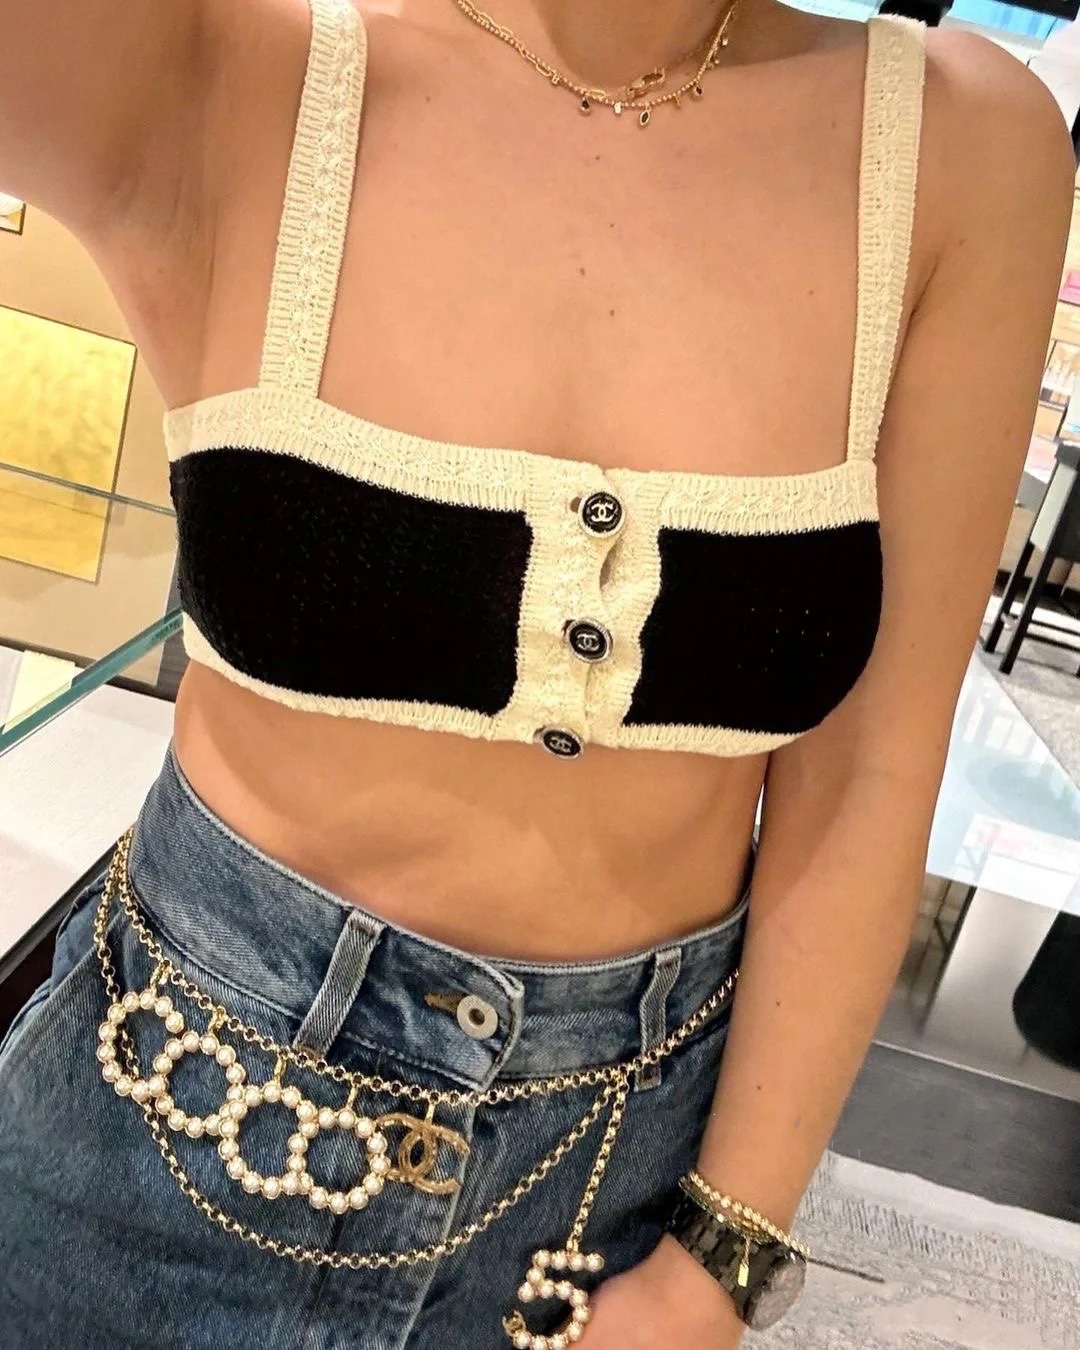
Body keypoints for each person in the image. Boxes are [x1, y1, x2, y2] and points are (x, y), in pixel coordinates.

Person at [0, 1, 1071, 1346]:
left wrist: (721, 1258)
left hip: (598, 1207)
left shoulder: (960, 145)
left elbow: (872, 770)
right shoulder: (231, 58)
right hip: (146, 1137)